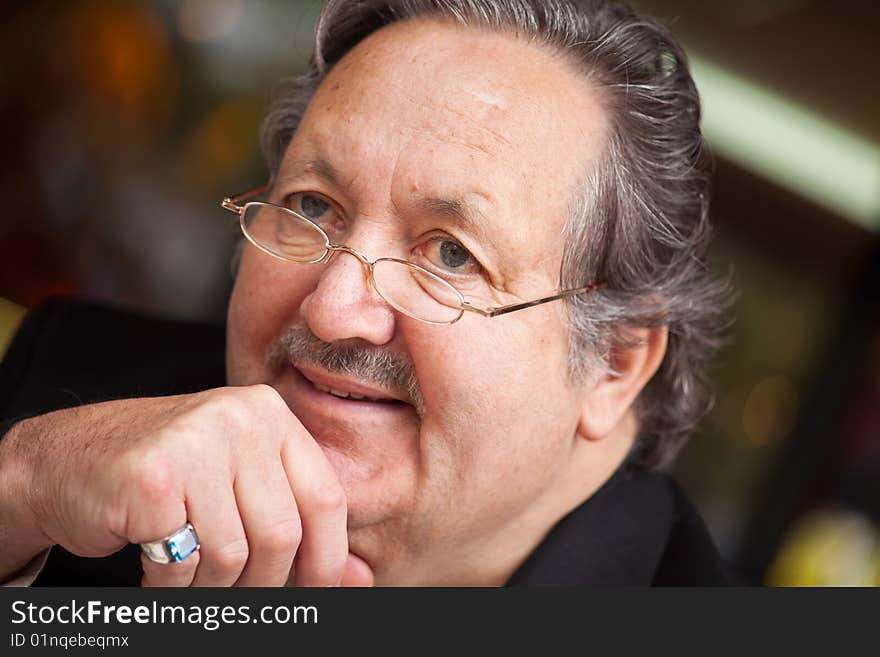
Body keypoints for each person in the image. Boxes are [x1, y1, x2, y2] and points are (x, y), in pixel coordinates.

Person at [0, 0, 732, 586]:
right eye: (315, 205)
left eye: (450, 253)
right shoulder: (73, 394)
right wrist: (20, 491)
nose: (331, 307)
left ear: (615, 361)